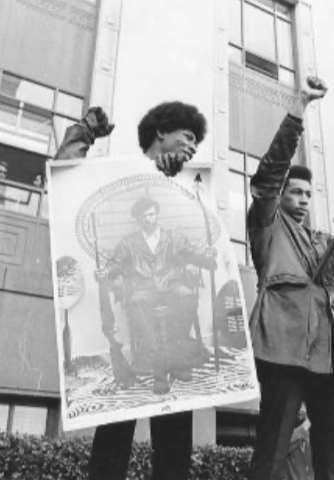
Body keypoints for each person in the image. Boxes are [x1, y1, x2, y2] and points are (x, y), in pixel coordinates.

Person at [55, 102, 207, 480]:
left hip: (170, 327)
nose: (192, 147)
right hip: (131, 316)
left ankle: (176, 358)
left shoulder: (187, 191)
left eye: (196, 143)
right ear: (161, 133)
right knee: (112, 443)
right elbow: (64, 180)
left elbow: (195, 247)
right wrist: (85, 132)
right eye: (187, 137)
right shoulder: (115, 181)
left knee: (174, 452)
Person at [247, 76, 334, 480]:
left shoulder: (324, 241)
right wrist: (299, 109)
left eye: (308, 194)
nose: (303, 199)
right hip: (283, 350)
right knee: (273, 444)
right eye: (295, 192)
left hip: (331, 356)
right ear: (281, 195)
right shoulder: (268, 227)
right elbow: (267, 177)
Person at [99, 195, 216, 394]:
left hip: (171, 284)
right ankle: (160, 373)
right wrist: (106, 272)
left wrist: (207, 257)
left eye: (151, 214)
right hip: (145, 288)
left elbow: (192, 254)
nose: (148, 219)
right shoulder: (129, 243)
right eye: (144, 216)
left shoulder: (174, 238)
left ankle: (178, 363)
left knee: (187, 296)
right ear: (138, 219)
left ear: (157, 214)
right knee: (137, 304)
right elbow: (115, 263)